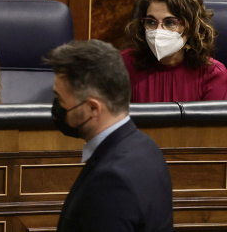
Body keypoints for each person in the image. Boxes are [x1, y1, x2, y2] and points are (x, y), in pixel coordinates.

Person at [45, 39, 173, 232]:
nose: (57, 107)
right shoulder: (147, 148)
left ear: (92, 108)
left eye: (60, 99)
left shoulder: (111, 182)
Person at [123, 0, 227, 102]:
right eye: (151, 22)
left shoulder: (212, 74)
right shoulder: (123, 65)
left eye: (170, 22)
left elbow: (210, 121)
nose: (158, 30)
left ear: (190, 28)